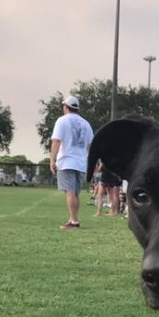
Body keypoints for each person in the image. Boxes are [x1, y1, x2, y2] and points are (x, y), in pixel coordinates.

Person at [50, 95, 93, 229]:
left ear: (66, 107)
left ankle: (74, 221)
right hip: (80, 162)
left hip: (67, 161)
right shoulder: (85, 123)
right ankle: (74, 218)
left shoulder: (62, 121)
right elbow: (91, 145)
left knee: (69, 192)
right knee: (75, 193)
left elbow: (56, 140)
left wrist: (52, 159)